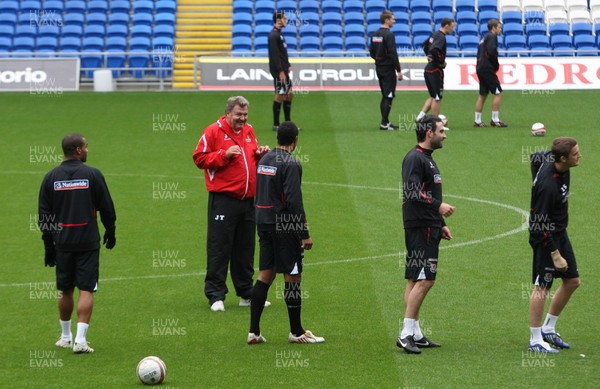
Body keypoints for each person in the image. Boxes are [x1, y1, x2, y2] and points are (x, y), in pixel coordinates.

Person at [38, 133, 116, 354]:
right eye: (86, 146)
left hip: (62, 241)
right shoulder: (92, 175)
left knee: (64, 290)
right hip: (87, 241)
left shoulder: (50, 177)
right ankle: (80, 341)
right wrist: (110, 231)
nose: (88, 150)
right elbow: (106, 207)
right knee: (86, 288)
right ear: (79, 150)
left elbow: (44, 215)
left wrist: (48, 245)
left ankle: (65, 337)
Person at [247, 121, 324, 345]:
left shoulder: (265, 159)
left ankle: (254, 332)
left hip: (263, 222)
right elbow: (293, 200)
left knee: (265, 275)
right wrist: (304, 232)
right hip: (284, 224)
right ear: (295, 140)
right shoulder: (291, 163)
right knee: (293, 276)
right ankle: (296, 332)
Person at [193, 96, 271, 312]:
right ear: (228, 113)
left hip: (248, 200)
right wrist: (223, 155)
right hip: (224, 200)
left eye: (245, 115)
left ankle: (246, 293)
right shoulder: (213, 131)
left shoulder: (249, 130)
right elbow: (199, 158)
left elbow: (249, 159)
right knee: (219, 246)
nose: (242, 119)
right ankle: (216, 295)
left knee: (245, 247)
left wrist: (259, 155)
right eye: (238, 115)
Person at [397, 116, 454, 354]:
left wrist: (439, 222)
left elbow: (424, 191)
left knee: (414, 278)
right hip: (420, 226)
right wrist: (438, 207)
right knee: (426, 279)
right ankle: (405, 334)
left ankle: (415, 333)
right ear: (429, 133)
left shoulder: (425, 159)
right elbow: (411, 192)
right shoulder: (415, 158)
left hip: (427, 224)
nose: (444, 134)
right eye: (441, 130)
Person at [528, 138, 581, 353]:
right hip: (544, 237)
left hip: (559, 231)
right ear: (563, 158)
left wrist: (533, 180)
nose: (580, 156)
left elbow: (534, 158)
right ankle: (535, 339)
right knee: (542, 287)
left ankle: (549, 328)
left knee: (572, 280)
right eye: (576, 153)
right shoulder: (548, 186)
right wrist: (555, 254)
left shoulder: (549, 158)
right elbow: (538, 224)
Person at [416, 18, 456, 122]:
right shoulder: (441, 37)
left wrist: (429, 57)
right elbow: (434, 49)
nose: (453, 29)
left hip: (428, 69)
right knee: (437, 97)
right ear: (446, 26)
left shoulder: (434, 34)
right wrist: (440, 62)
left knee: (433, 96)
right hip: (435, 70)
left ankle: (420, 117)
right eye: (452, 26)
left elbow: (425, 46)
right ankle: (436, 123)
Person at [370, 10, 403, 130]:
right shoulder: (389, 34)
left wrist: (379, 60)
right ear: (387, 20)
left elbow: (372, 52)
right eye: (392, 19)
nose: (394, 21)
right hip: (388, 69)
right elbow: (393, 53)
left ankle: (386, 122)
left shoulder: (375, 34)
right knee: (388, 95)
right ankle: (384, 123)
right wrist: (398, 70)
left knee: (385, 94)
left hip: (379, 67)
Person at [474, 19, 507, 128]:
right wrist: (496, 65)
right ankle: (495, 119)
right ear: (493, 27)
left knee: (483, 94)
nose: (500, 29)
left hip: (480, 67)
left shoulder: (484, 38)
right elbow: (492, 51)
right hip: (487, 68)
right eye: (499, 27)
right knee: (498, 92)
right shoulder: (492, 37)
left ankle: (477, 120)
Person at [269, 10, 296, 132]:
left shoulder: (279, 34)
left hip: (284, 70)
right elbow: (275, 55)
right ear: (278, 20)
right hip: (279, 72)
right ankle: (276, 124)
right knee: (280, 94)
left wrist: (288, 65)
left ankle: (288, 123)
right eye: (284, 18)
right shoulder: (273, 35)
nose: (286, 20)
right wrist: (280, 71)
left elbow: (282, 53)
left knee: (288, 94)